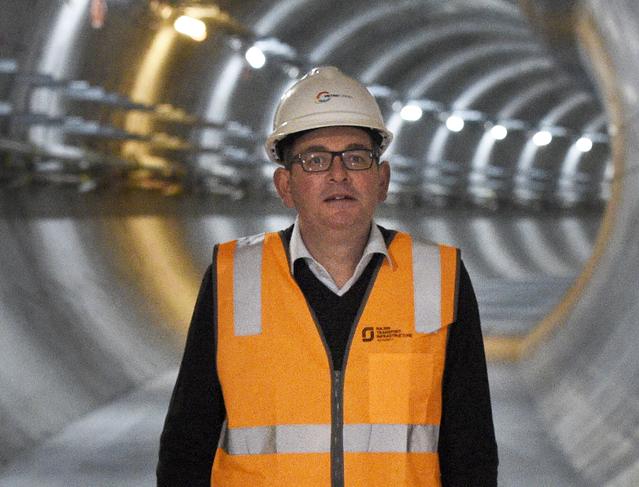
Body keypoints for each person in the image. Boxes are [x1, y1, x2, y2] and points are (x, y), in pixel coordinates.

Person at [157, 66, 498, 486]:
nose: (338, 174)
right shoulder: (234, 278)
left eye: (356, 157)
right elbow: (186, 447)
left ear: (382, 179)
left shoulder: (437, 277)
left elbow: (472, 450)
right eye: (315, 160)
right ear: (286, 185)